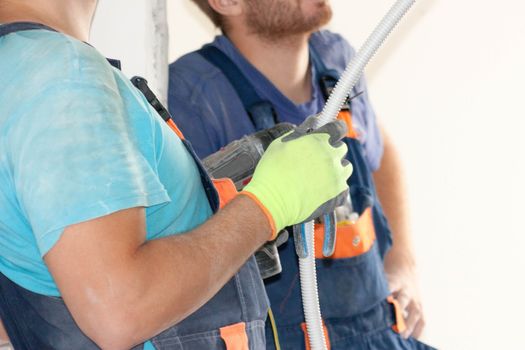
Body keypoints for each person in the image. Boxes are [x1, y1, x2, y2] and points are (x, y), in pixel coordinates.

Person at [0, 1, 352, 349]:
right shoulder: (64, 77)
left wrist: (212, 214)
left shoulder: (22, 67)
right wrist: (266, 207)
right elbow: (120, 309)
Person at [168, 0, 434, 349]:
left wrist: (403, 260)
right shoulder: (193, 97)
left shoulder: (338, 61)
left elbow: (381, 151)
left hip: (381, 334)